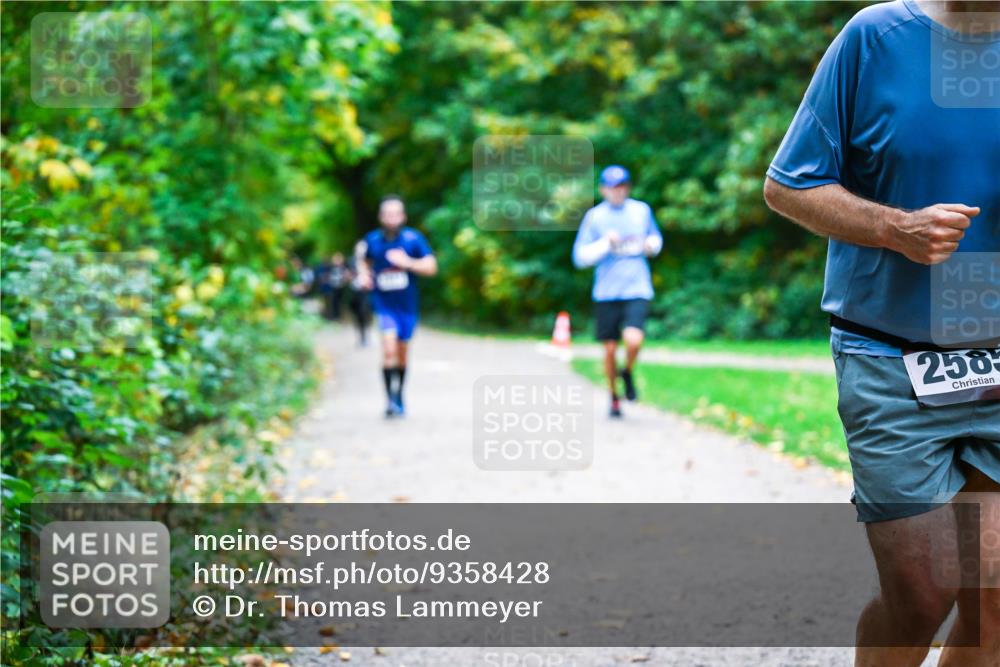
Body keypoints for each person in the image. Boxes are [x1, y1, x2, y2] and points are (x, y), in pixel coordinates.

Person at [763, 1, 999, 665]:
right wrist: (897, 228)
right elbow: (788, 185)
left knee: (996, 600)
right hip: (890, 355)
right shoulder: (875, 39)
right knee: (922, 592)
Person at [573, 165, 662, 418]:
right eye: (612, 187)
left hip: (637, 287)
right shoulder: (594, 217)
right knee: (610, 349)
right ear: (603, 190)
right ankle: (613, 396)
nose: (617, 192)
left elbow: (656, 240)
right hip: (606, 292)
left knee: (634, 339)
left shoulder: (641, 211)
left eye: (622, 186)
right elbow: (580, 257)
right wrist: (605, 244)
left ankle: (627, 371)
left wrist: (650, 246)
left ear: (628, 188)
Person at [358, 195, 437, 417]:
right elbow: (363, 260)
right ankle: (389, 401)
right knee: (388, 349)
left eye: (396, 213)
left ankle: (399, 395)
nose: (391, 218)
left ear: (403, 216)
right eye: (387, 214)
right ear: (381, 216)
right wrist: (364, 275)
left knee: (402, 355)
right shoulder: (372, 240)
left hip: (407, 306)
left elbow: (432, 266)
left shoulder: (413, 239)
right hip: (383, 305)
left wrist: (408, 263)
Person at [346, 240, 372, 347]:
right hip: (354, 290)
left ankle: (366, 337)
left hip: (365, 291)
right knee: (357, 314)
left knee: (364, 312)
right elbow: (347, 274)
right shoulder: (351, 260)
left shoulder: (369, 260)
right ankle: (361, 337)